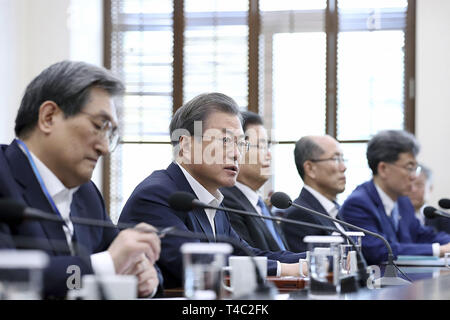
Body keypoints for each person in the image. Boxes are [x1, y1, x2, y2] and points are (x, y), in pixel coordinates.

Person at [0, 61, 162, 299]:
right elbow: (8, 280)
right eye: (99, 126)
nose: (105, 148)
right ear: (48, 117)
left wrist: (146, 274)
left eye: (111, 134)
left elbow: (122, 255)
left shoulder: (87, 194)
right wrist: (103, 267)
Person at [119, 93, 306, 289]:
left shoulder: (210, 199)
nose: (236, 154)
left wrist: (315, 258)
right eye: (225, 141)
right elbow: (201, 265)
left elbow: (244, 255)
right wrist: (285, 269)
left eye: (241, 143)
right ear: (186, 145)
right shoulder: (156, 196)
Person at [340, 130, 450, 265]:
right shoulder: (358, 204)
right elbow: (378, 251)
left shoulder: (403, 201)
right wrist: (440, 249)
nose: (414, 176)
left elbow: (422, 234)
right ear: (383, 169)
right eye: (409, 167)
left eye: (415, 168)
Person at [220, 111, 288, 251]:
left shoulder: (260, 204)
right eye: (261, 147)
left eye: (268, 147)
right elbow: (247, 257)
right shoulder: (225, 201)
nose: (269, 155)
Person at [281, 135, 347, 252]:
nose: (343, 167)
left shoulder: (335, 209)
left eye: (342, 159)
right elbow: (314, 265)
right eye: (335, 159)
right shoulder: (300, 215)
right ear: (310, 169)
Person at [408, 164, 450, 234]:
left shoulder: (444, 218)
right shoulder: (394, 216)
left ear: (430, 188)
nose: (413, 189)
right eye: (409, 185)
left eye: (419, 185)